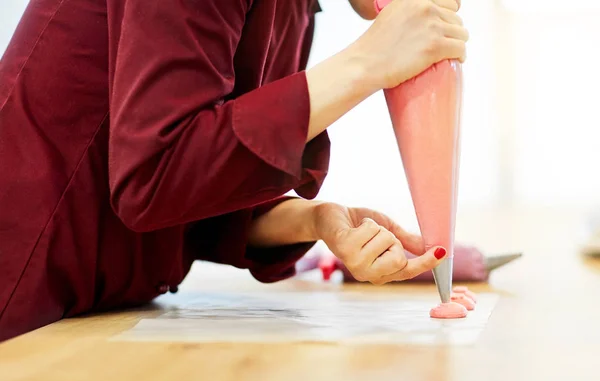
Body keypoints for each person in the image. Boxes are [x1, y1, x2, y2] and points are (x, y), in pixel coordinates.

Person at [0, 0, 468, 341]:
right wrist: (367, 62)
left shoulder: (298, 9)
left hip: (91, 319)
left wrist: (317, 221)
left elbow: (196, 198)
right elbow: (154, 177)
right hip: (19, 293)